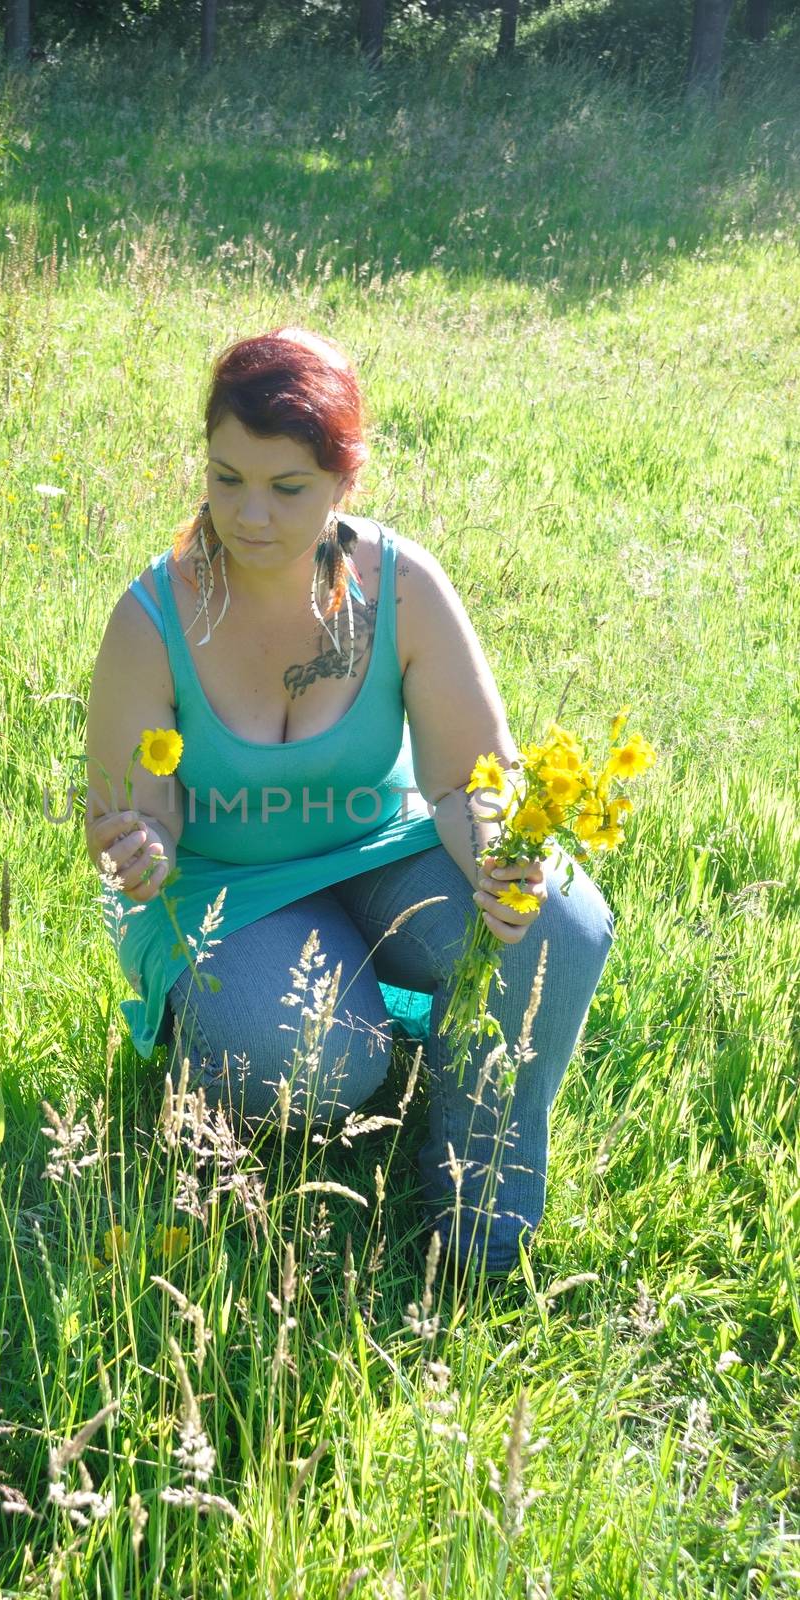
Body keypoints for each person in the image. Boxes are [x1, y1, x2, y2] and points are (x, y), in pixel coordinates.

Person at [84, 327, 614, 1279]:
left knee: (559, 923)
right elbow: (137, 815)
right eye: (225, 476)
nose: (249, 514)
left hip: (382, 847)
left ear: (344, 482)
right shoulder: (154, 616)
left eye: (286, 488)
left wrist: (497, 860)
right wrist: (140, 846)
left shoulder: (401, 587)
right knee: (336, 1063)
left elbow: (465, 781)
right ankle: (218, 1057)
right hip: (224, 893)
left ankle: (482, 1216)